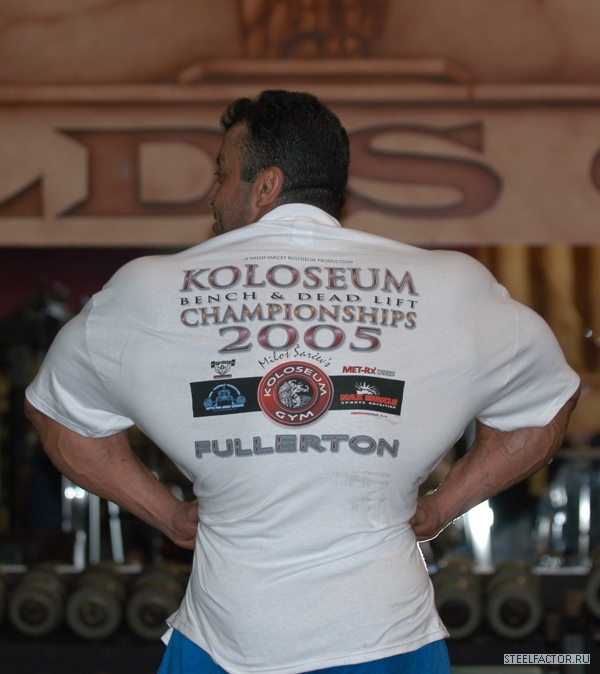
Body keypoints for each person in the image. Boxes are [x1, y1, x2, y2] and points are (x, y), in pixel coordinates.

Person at [25, 90, 579, 674]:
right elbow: (546, 403)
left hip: (223, 648)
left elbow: (57, 414)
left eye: (221, 174)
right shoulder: (453, 287)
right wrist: (444, 506)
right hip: (388, 643)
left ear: (265, 186)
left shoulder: (146, 292)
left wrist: (165, 513)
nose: (213, 196)